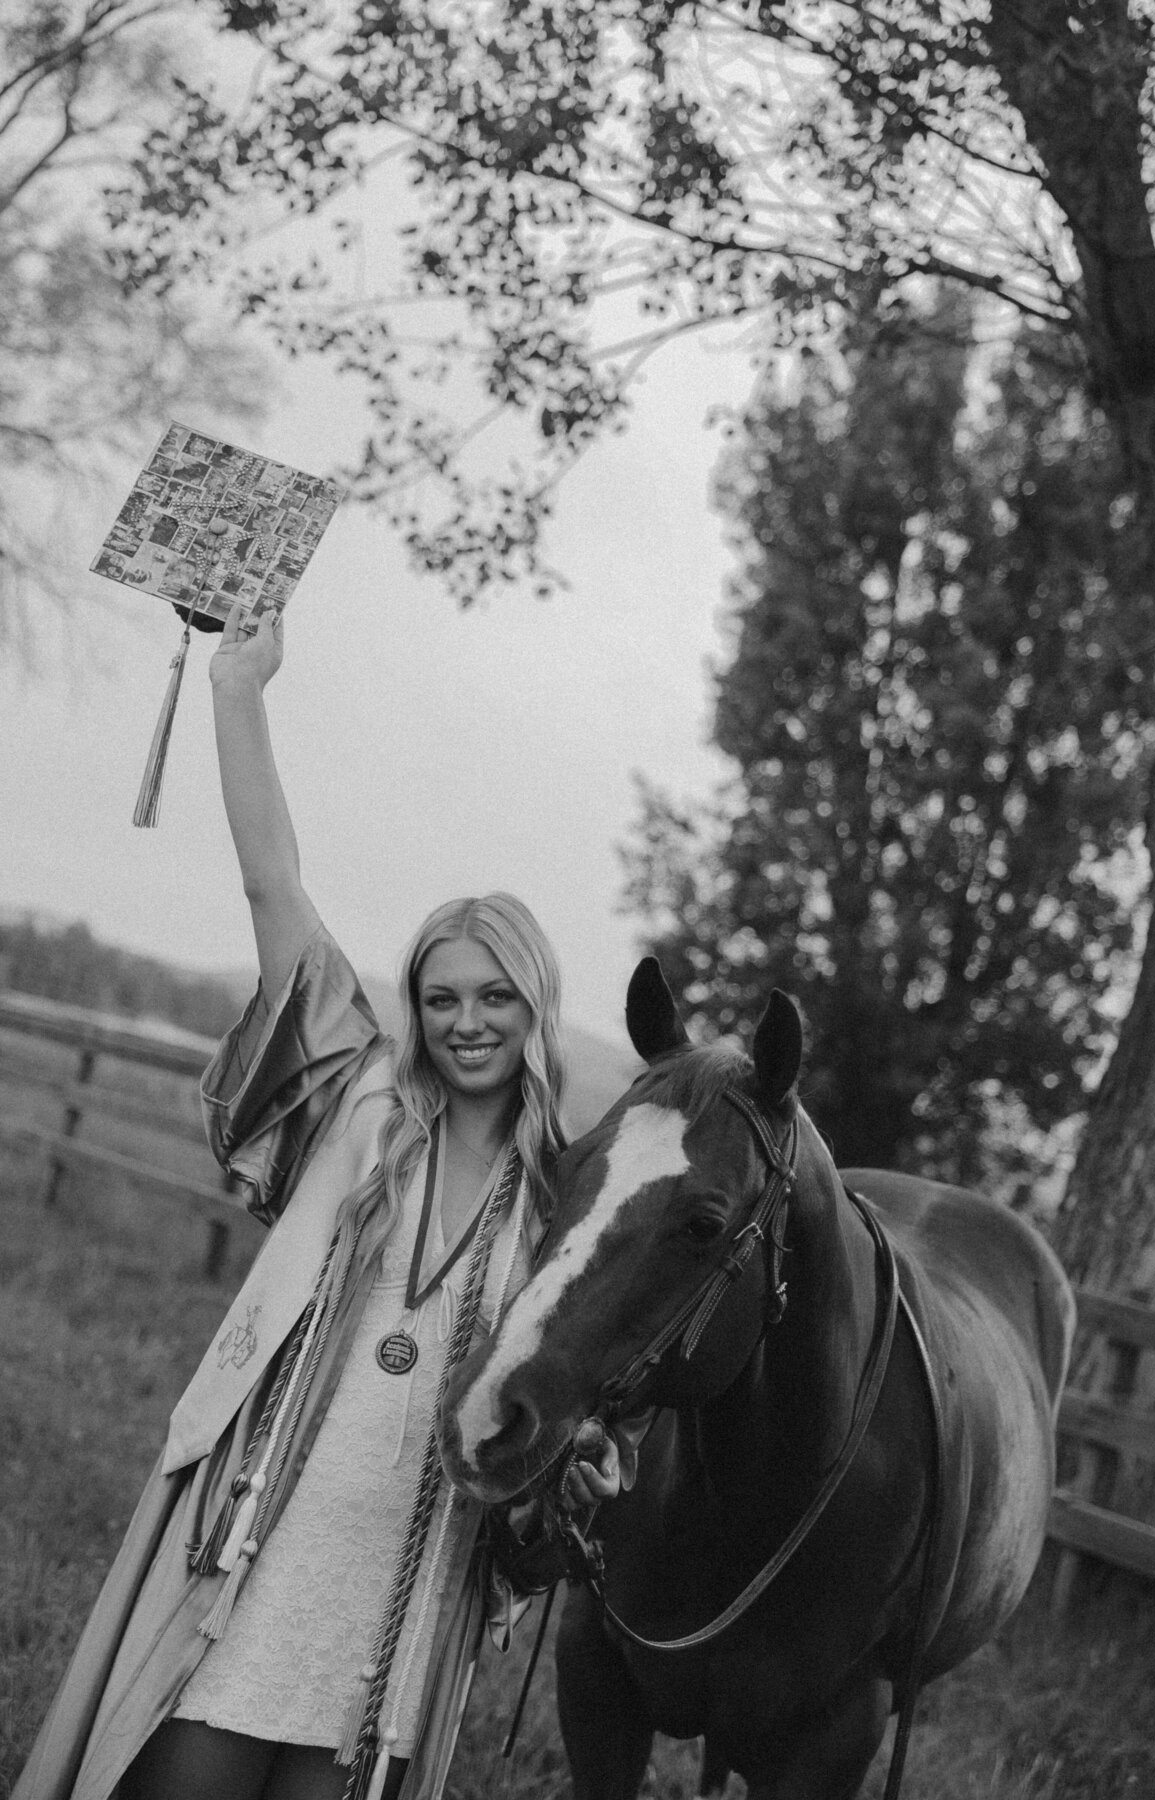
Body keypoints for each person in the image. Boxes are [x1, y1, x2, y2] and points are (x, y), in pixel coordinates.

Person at [15, 604, 620, 1800]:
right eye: (441, 997)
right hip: (258, 1535)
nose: (466, 1022)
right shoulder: (360, 1109)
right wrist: (239, 690)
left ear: (537, 1004)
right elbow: (269, 885)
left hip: (404, 1589)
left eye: (495, 996)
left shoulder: (564, 1193)